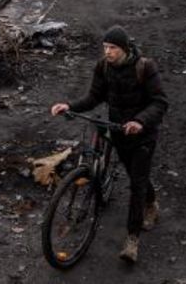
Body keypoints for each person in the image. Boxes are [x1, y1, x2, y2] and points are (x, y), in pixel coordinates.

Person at [50, 26, 168, 264]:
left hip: (143, 135)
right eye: (105, 47)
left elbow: (160, 102)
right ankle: (151, 201)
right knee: (137, 176)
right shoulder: (103, 67)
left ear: (124, 49)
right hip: (118, 132)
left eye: (112, 48)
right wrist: (69, 106)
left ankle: (132, 239)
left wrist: (139, 121)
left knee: (136, 184)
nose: (108, 52)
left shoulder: (145, 68)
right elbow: (93, 97)